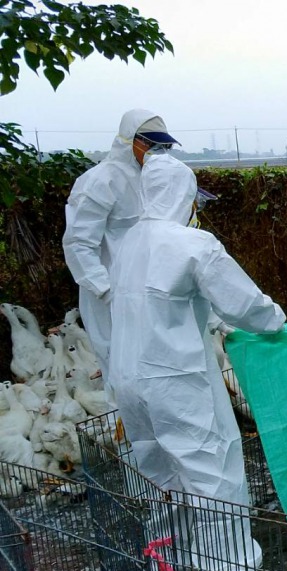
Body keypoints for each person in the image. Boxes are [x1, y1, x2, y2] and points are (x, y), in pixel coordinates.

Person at [107, 154, 287, 571]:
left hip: (128, 379)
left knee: (162, 474)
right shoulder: (194, 243)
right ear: (184, 196)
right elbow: (244, 302)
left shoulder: (128, 242)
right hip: (175, 380)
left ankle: (172, 562)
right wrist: (274, 321)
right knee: (215, 477)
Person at [64, 109, 179, 384]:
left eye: (165, 146)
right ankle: (127, 425)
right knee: (123, 367)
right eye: (151, 145)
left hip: (151, 288)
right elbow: (79, 243)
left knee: (160, 368)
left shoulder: (152, 179)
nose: (157, 152)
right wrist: (106, 291)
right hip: (111, 294)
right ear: (130, 140)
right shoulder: (99, 182)